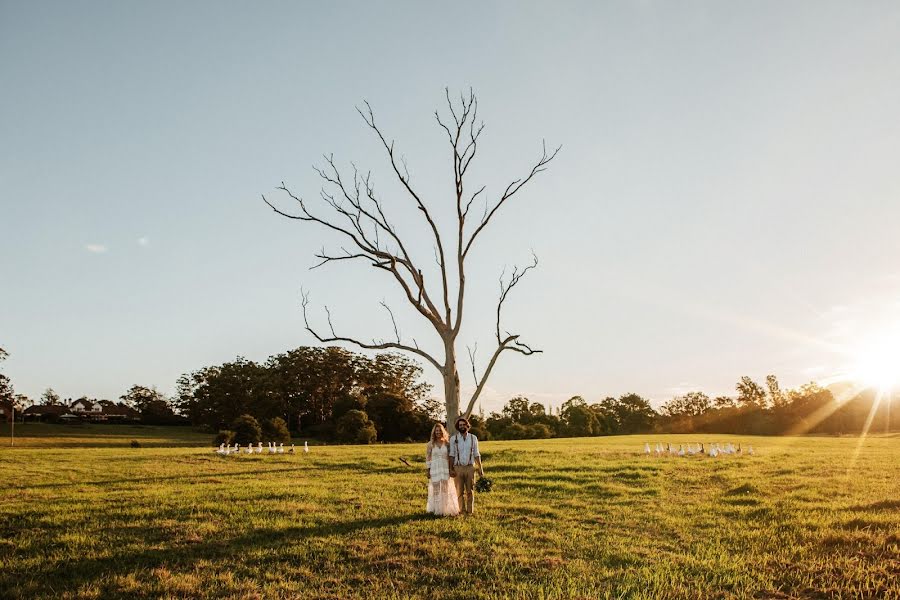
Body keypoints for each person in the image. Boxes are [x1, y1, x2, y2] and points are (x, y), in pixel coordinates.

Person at [449, 416, 484, 515]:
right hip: (458, 468)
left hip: (470, 467)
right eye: (460, 425)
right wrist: (451, 469)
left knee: (470, 490)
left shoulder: (473, 438)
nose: (462, 426)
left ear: (467, 426)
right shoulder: (453, 439)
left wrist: (480, 468)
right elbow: (451, 454)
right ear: (457, 427)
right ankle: (461, 510)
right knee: (459, 491)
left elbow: (477, 454)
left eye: (464, 425)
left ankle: (470, 511)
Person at [425, 423, 459, 516]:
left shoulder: (447, 443)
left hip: (445, 468)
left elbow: (450, 457)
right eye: (436, 431)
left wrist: (451, 469)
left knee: (445, 488)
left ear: (443, 431)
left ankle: (445, 509)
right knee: (436, 489)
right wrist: (428, 470)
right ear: (434, 432)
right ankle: (437, 509)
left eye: (440, 430)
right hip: (435, 468)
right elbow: (428, 457)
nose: (438, 432)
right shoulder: (430, 444)